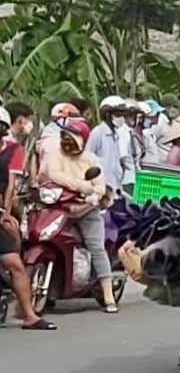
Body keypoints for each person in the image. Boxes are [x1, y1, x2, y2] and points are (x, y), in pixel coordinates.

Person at [41, 119, 119, 314]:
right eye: (64, 137)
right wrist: (81, 185)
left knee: (96, 247)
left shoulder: (90, 160)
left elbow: (99, 187)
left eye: (71, 138)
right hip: (59, 206)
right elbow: (54, 174)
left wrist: (91, 196)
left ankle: (108, 294)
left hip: (85, 209)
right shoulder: (55, 155)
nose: (66, 142)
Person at [0, 108, 55, 330]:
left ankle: (29, 315)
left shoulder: (13, 149)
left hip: (1, 212)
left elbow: (11, 185)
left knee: (14, 263)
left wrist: (4, 213)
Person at [86, 95, 131, 196]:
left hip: (116, 186)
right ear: (107, 114)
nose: (122, 118)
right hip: (101, 187)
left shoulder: (116, 134)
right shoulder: (97, 133)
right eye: (118, 115)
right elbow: (87, 159)